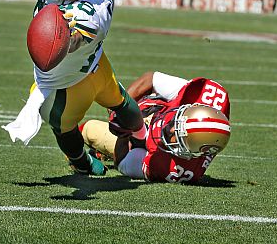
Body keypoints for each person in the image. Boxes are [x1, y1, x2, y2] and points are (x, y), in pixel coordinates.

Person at [4, 0, 195, 176]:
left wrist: (55, 38)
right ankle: (95, 156)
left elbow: (66, 43)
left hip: (65, 86)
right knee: (123, 104)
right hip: (95, 65)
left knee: (66, 125)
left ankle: (97, 156)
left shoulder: (90, 16)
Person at [80, 71, 231, 183]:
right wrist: (121, 108)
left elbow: (123, 162)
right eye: (176, 123)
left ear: (189, 153)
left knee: (89, 130)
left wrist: (123, 134)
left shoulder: (175, 169)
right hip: (152, 106)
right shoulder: (202, 93)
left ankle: (94, 153)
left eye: (177, 136)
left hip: (139, 142)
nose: (170, 129)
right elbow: (151, 79)